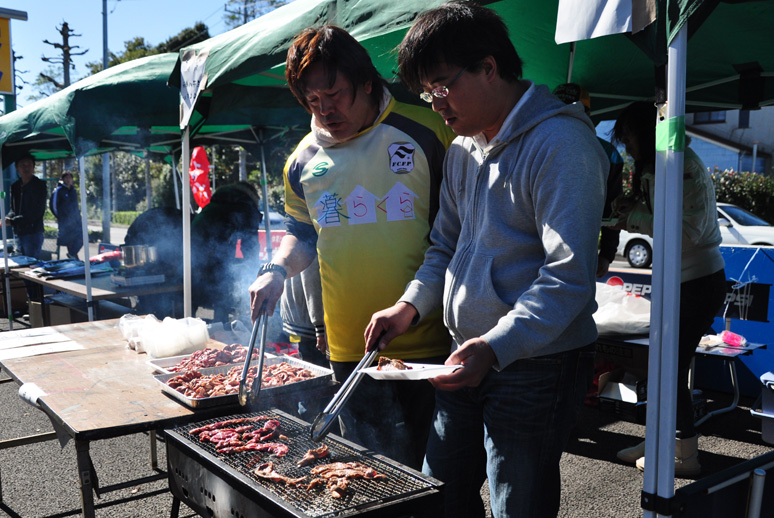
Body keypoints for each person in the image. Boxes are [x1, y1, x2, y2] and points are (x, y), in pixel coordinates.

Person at [363, 3, 607, 517]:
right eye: (426, 93)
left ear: (489, 68)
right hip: (463, 354)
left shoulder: (561, 144)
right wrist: (408, 307)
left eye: (441, 86)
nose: (436, 105)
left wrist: (495, 347)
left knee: (517, 505)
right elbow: (444, 247)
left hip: (538, 362)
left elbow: (568, 276)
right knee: (439, 495)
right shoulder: (461, 151)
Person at [248, 25, 456, 469]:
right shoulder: (302, 160)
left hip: (429, 341)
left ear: (366, 83)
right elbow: (303, 234)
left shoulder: (428, 130)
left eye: (334, 94)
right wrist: (276, 270)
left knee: (440, 483)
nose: (325, 110)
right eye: (312, 100)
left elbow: (457, 232)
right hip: (349, 349)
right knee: (370, 475)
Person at [610, 101, 726, 476]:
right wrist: (631, 209)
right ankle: (659, 441)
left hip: (697, 281)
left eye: (629, 139)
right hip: (680, 281)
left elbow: (687, 230)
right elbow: (666, 219)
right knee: (660, 366)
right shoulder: (660, 164)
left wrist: (633, 217)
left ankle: (684, 455)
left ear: (647, 133)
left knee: (670, 368)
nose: (628, 148)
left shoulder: (681, 164)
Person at [553, 83, 624, 277]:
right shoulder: (537, 145)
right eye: (558, 109)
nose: (564, 116)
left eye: (571, 110)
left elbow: (612, 208)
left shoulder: (608, 154)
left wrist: (607, 254)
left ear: (587, 113)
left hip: (580, 255)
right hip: (538, 253)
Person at [279, 255, 327, 368]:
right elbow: (311, 279)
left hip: (302, 317)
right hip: (311, 321)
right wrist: (319, 327)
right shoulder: (313, 246)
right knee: (318, 370)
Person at [6, 152, 47, 259]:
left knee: (31, 263)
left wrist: (12, 221)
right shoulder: (15, 186)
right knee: (20, 264)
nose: (26, 168)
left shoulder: (39, 185)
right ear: (17, 168)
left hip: (33, 233)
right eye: (22, 165)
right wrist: (8, 217)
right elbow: (13, 209)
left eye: (29, 165)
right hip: (18, 233)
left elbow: (36, 212)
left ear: (33, 167)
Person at [49, 171, 84, 260]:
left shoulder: (73, 190)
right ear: (63, 179)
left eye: (70, 178)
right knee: (70, 241)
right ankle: (73, 258)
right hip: (65, 221)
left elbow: (76, 205)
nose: (68, 180)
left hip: (76, 220)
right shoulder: (58, 190)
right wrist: (59, 216)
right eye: (66, 178)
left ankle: (72, 254)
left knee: (82, 238)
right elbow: (53, 205)